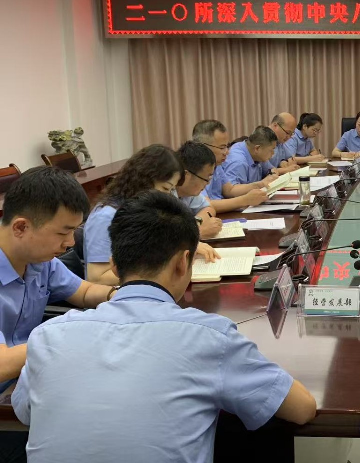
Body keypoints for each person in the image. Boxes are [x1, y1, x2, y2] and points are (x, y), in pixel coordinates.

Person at [12, 191, 317, 463]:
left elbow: (25, 411)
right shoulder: (210, 337)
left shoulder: (47, 336)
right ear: (184, 263)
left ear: (114, 265)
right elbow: (302, 408)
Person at [0, 168, 123, 463]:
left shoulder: (39, 259)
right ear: (20, 227)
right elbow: (2, 366)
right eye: (63, 232)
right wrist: (66, 337)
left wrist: (119, 296)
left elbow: (84, 291)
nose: (70, 243)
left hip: (28, 378)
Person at [85, 145, 219, 285]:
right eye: (165, 188)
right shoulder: (105, 217)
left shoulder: (145, 209)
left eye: (172, 190)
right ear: (144, 180)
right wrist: (160, 271)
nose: (168, 196)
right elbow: (97, 278)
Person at [192, 119, 270, 213]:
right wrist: (245, 200)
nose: (227, 152)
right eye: (222, 147)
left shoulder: (216, 164)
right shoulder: (193, 169)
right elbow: (206, 205)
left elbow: (229, 190)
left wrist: (259, 185)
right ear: (203, 146)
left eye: (227, 146)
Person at [175, 141, 223, 240]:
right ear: (186, 175)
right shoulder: (165, 194)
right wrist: (198, 233)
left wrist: (196, 222)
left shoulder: (188, 193)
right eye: (206, 178)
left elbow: (209, 208)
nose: (208, 183)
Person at [220, 126, 279, 199]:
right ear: (257, 148)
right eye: (271, 150)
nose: (273, 153)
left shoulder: (257, 154)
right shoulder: (238, 161)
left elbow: (271, 169)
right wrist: (259, 184)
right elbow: (230, 191)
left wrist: (272, 175)